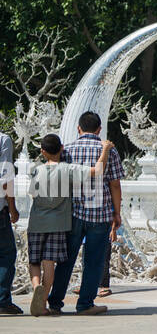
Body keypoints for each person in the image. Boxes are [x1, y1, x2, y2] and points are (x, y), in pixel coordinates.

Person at [27, 133, 115, 317]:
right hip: (58, 224)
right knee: (50, 264)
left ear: (42, 152)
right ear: (61, 149)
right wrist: (105, 149)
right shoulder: (67, 169)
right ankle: (43, 302)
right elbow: (97, 171)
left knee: (35, 261)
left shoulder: (36, 170)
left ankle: (38, 289)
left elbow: (33, 194)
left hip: (36, 224)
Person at [46, 111, 124, 316]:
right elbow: (115, 185)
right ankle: (85, 304)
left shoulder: (67, 150)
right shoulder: (108, 150)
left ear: (78, 128)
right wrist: (117, 213)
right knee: (94, 260)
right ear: (99, 130)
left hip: (72, 214)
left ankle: (55, 303)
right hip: (100, 214)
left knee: (66, 259)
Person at [0, 130, 17, 315]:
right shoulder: (3, 140)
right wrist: (12, 207)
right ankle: (2, 301)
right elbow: (6, 178)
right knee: (6, 254)